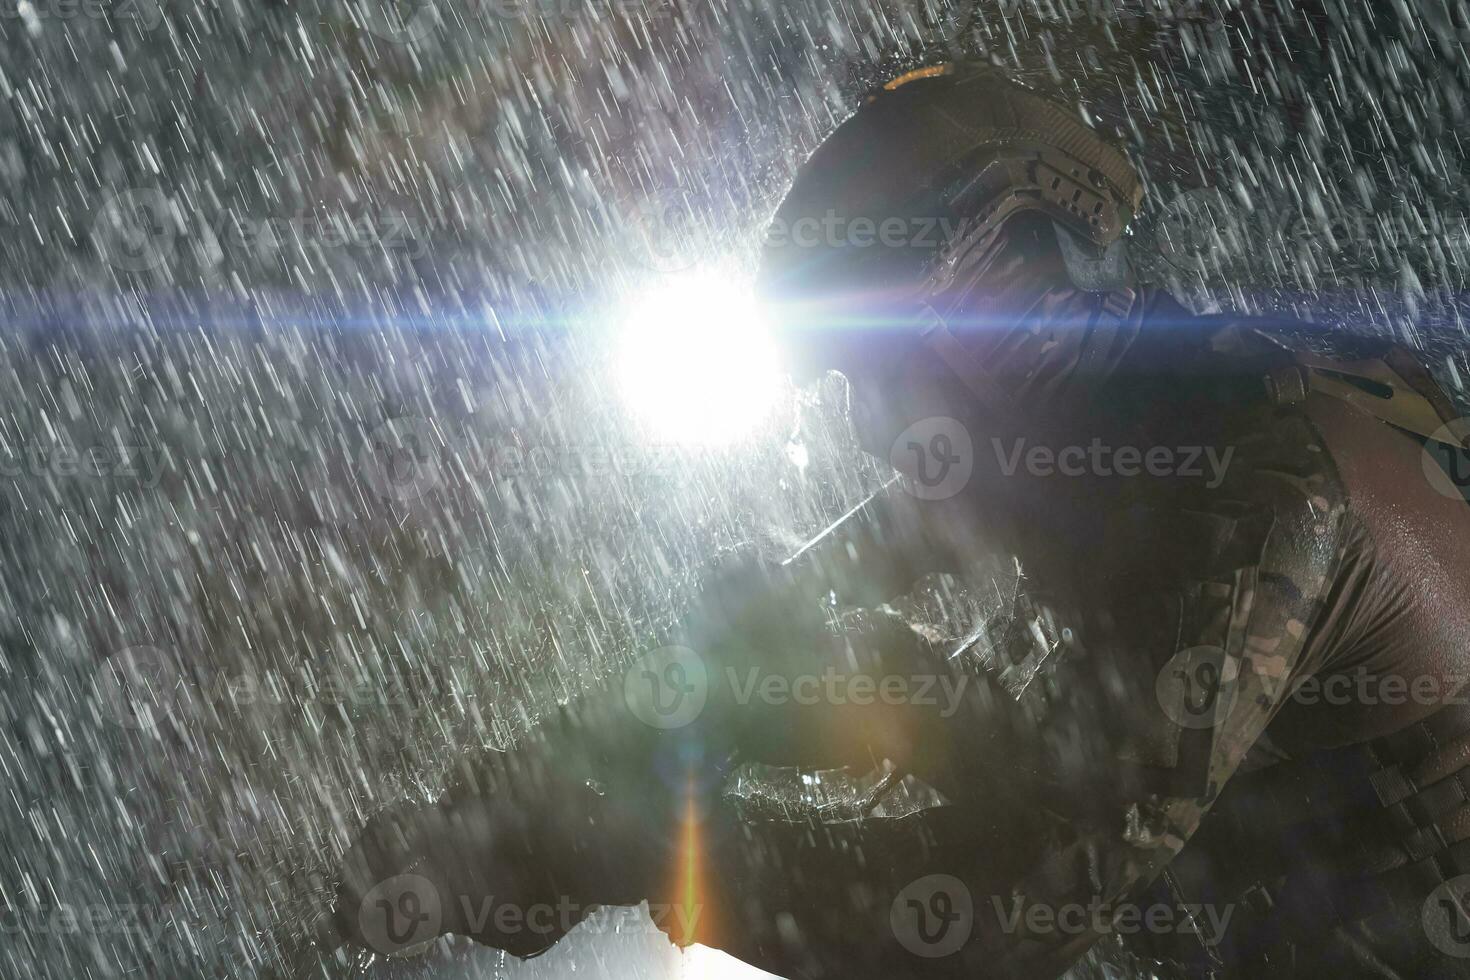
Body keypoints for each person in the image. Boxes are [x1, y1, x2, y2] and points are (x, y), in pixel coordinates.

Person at [327, 63, 1470, 978]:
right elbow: (762, 638)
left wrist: (646, 850)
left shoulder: (1267, 492)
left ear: (985, 314)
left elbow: (995, 926)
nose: (870, 427)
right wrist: (494, 814)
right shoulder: (1135, 420)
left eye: (868, 371)